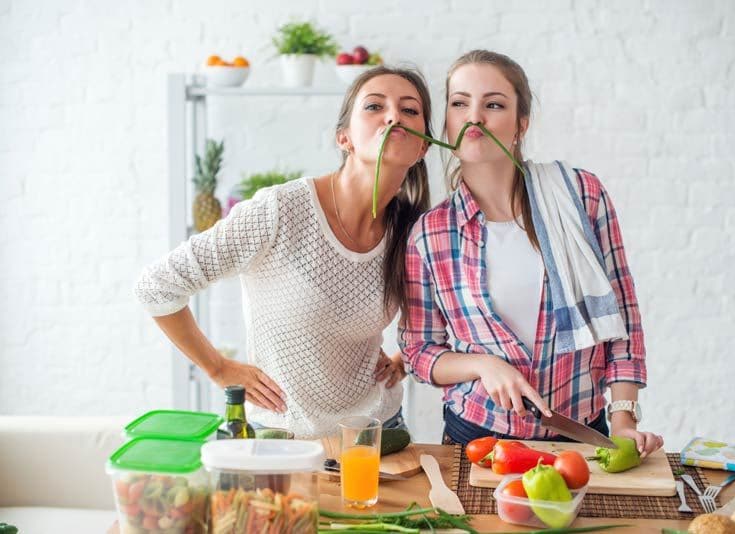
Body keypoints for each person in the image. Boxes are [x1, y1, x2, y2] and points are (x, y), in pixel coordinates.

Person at [135, 66, 432, 439]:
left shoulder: (413, 229)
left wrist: (404, 359)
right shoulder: (280, 210)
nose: (393, 117)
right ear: (345, 138)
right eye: (375, 106)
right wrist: (218, 368)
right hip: (282, 437)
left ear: (422, 147)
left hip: (377, 433)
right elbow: (156, 285)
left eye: (409, 110)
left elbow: (447, 317)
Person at [399, 50, 663, 457]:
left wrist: (624, 420)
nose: (475, 116)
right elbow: (419, 352)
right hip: (478, 440)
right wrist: (483, 365)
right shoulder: (430, 234)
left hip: (581, 437)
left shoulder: (580, 197)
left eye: (494, 104)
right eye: (460, 103)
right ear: (447, 123)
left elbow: (622, 317)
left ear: (521, 124)